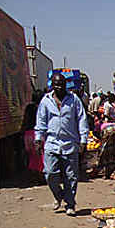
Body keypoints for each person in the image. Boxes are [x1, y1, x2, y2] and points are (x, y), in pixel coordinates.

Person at [34, 73, 89, 216]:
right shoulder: (46, 101)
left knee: (71, 176)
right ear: (52, 85)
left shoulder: (74, 100)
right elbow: (41, 121)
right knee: (50, 173)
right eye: (56, 84)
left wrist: (83, 140)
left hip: (70, 143)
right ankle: (58, 196)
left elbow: (82, 120)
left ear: (66, 85)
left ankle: (70, 204)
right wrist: (38, 138)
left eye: (61, 84)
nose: (59, 87)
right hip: (52, 143)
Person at [22, 102, 44, 181]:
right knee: (40, 158)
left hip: (28, 135)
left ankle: (34, 176)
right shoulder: (38, 120)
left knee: (32, 157)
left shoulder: (26, 123)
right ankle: (41, 176)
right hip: (35, 135)